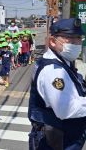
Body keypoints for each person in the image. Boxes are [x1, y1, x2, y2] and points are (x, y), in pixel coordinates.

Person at [28, 18, 86, 150]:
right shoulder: (53, 71)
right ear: (53, 41)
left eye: (78, 38)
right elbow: (65, 109)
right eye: (69, 39)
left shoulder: (63, 62)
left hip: (63, 138)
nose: (76, 43)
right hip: (56, 142)